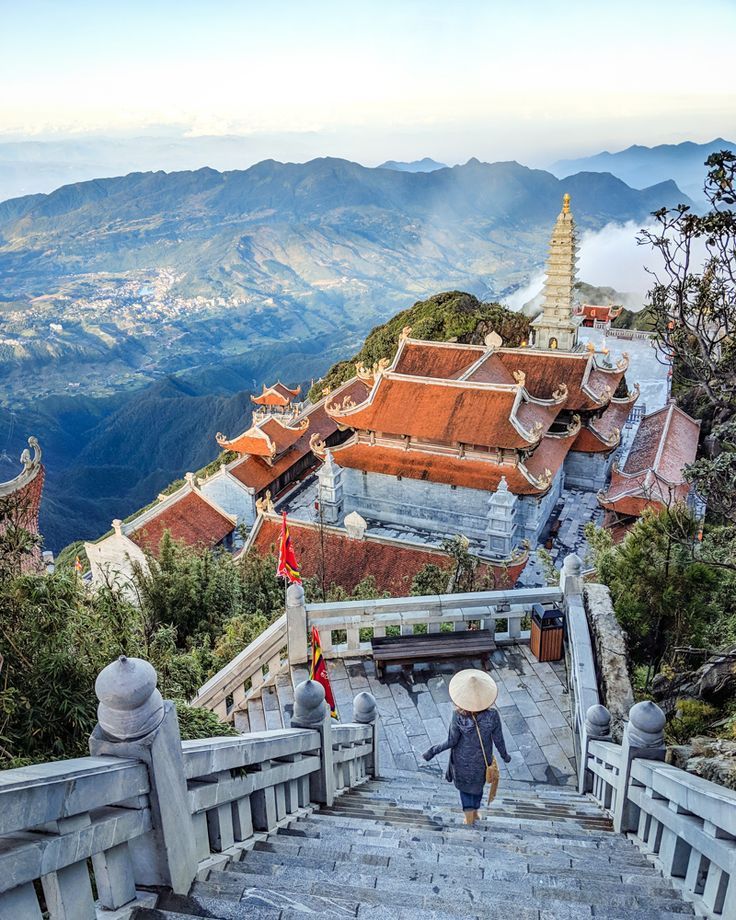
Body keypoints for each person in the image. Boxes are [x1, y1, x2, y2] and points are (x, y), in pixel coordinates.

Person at [422, 668, 511, 826]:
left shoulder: (458, 716)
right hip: (482, 762)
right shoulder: (493, 716)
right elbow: (499, 740)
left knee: (465, 791)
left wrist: (432, 751)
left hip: (462, 763)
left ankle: (468, 818)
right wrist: (505, 756)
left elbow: (451, 741)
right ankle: (475, 814)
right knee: (478, 788)